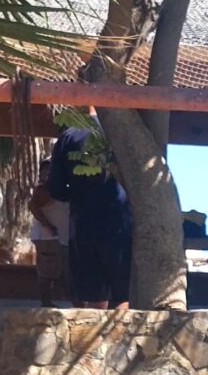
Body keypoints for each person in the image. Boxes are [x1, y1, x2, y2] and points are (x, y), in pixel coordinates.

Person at [47, 127, 132, 307]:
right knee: (122, 294)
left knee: (94, 295)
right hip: (120, 220)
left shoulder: (68, 137)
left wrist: (79, 192)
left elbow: (56, 188)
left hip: (84, 221)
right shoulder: (124, 131)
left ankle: (98, 333)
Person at [29, 159, 70, 302]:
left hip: (59, 239)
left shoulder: (60, 188)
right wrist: (48, 225)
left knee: (57, 270)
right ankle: (46, 302)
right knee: (47, 271)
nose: (47, 173)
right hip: (48, 238)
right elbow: (33, 206)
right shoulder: (44, 190)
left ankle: (52, 301)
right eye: (44, 170)